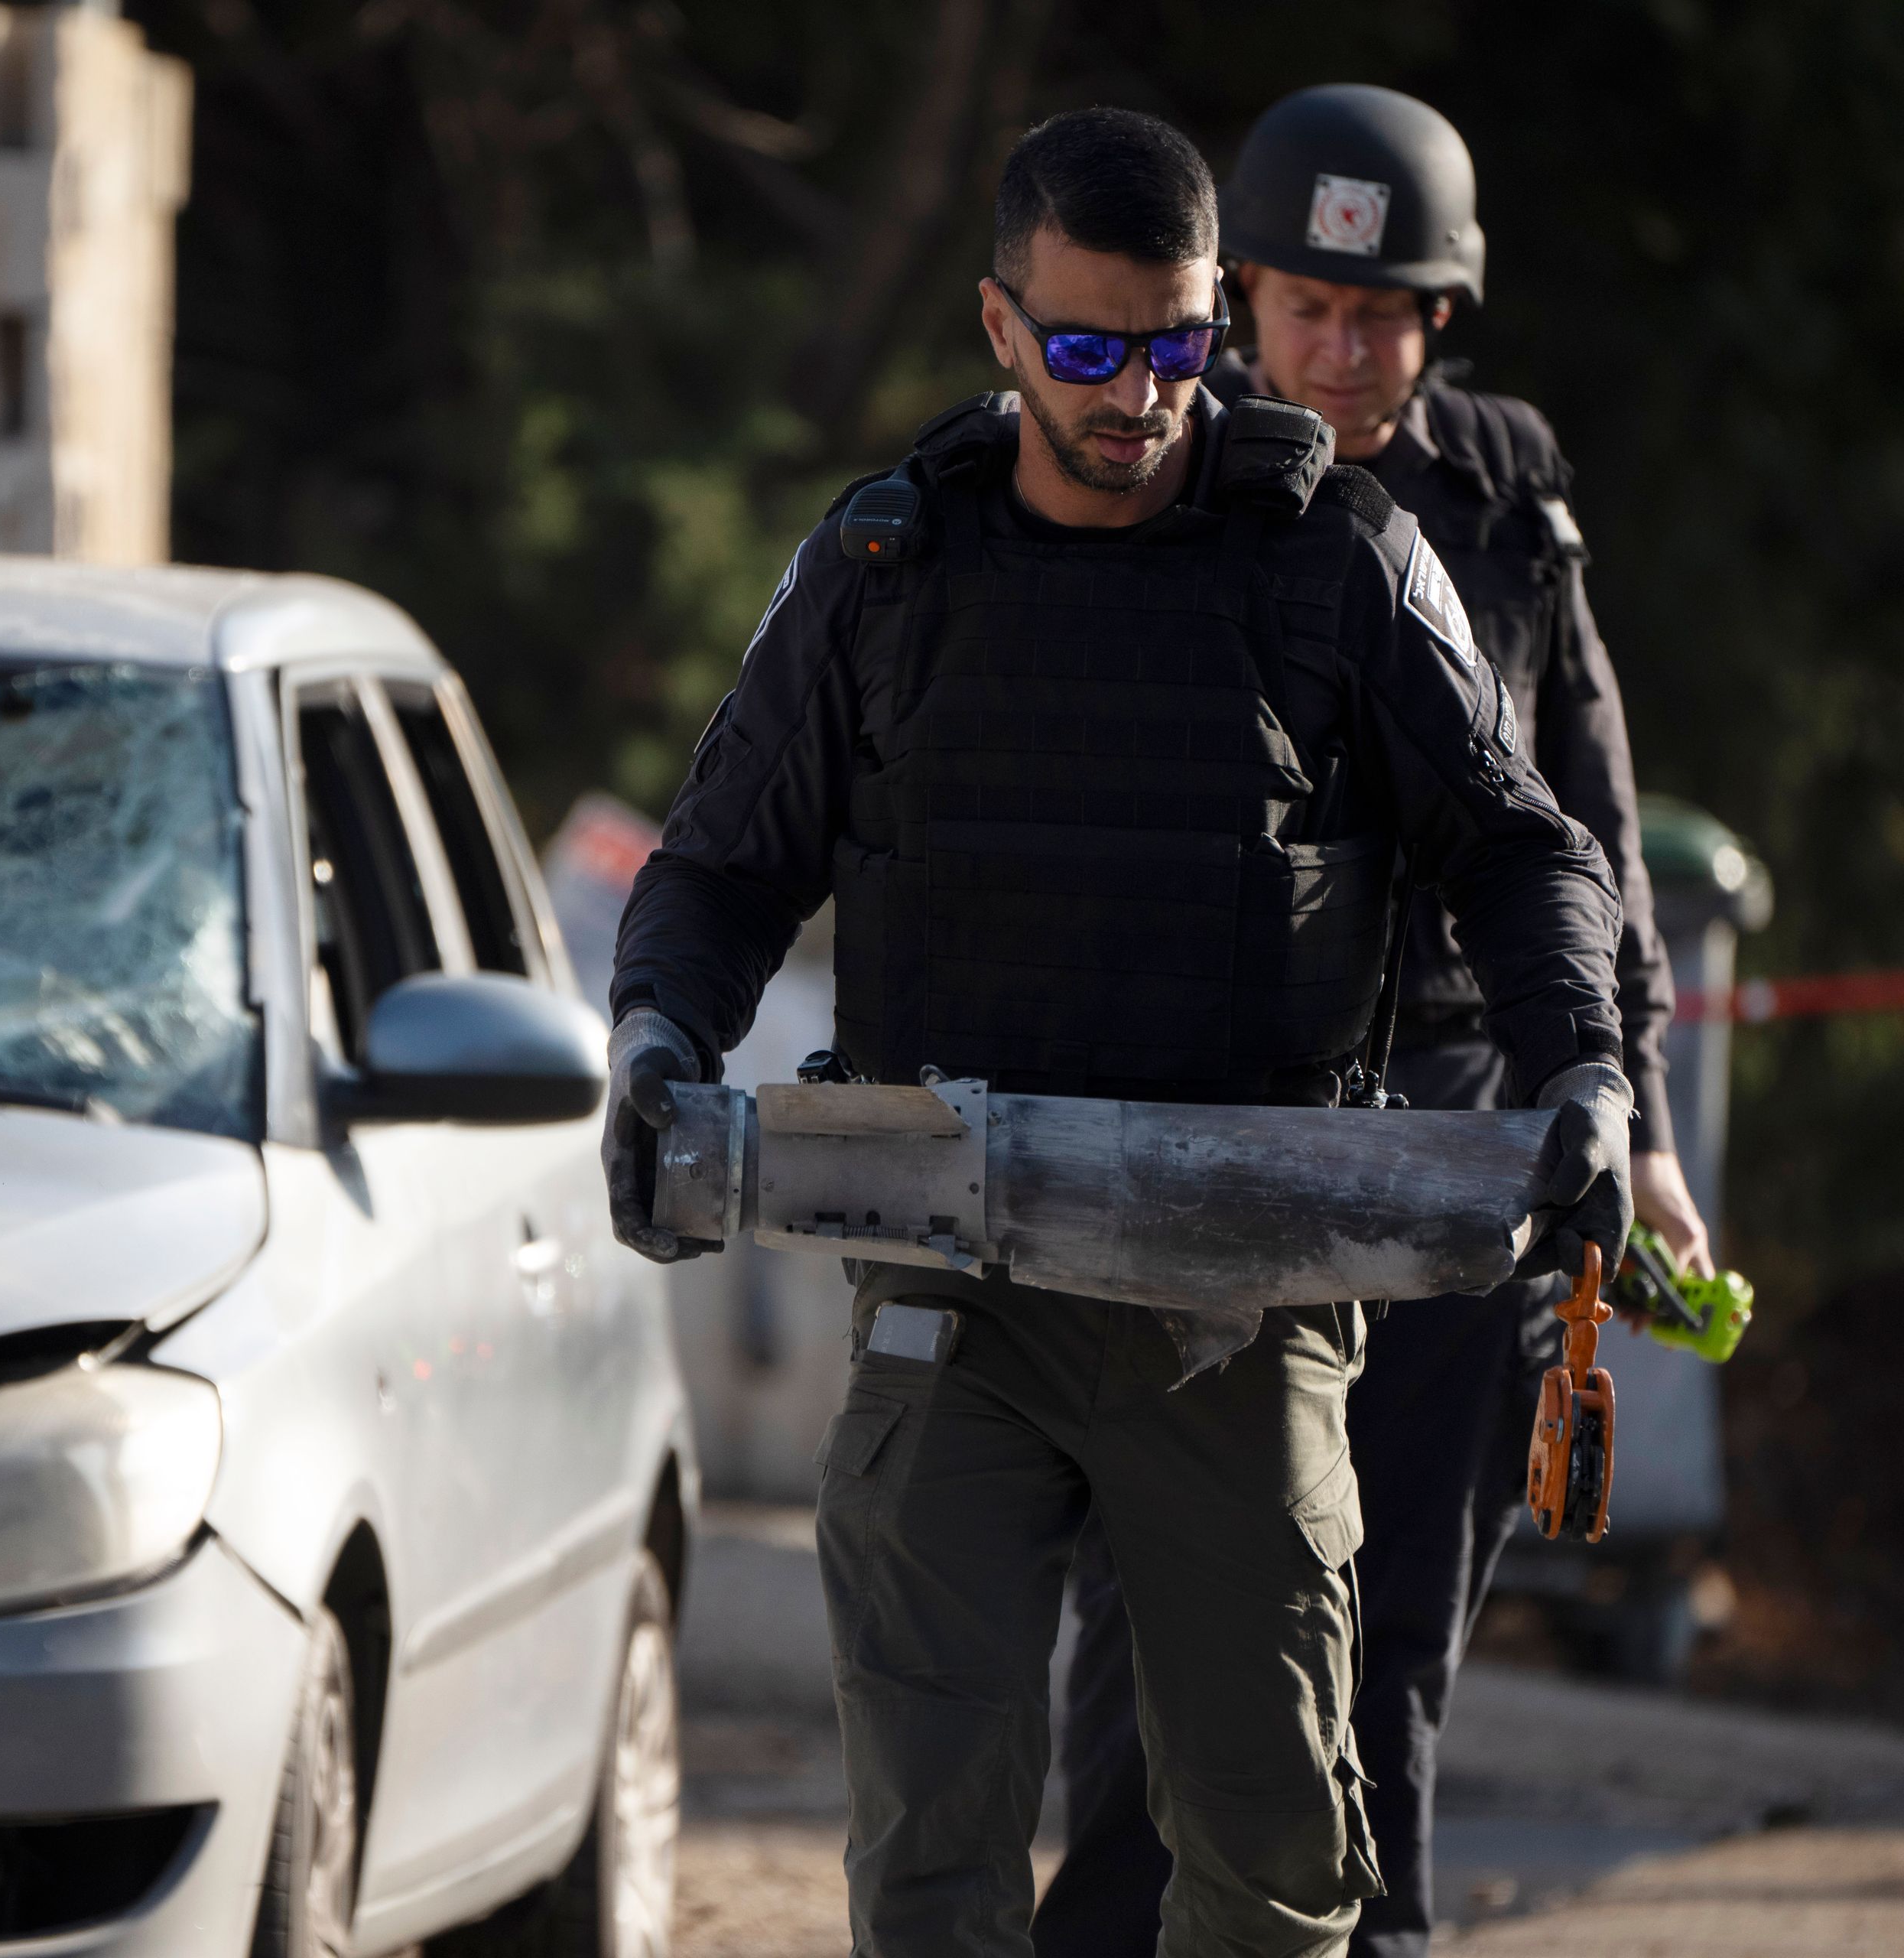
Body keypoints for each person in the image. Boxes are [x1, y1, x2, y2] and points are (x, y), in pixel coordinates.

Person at [604, 106, 1634, 1958]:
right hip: (956, 1283)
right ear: (1000, 326)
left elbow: (1517, 837)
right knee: (934, 1837)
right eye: (1086, 347)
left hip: (1238, 1291)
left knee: (1272, 1857)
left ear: (1213, 316)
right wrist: (658, 1037)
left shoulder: (1338, 559)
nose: (1138, 394)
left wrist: (1587, 1072)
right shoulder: (885, 571)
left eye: (1172, 344)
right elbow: (722, 861)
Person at [1030, 85, 1701, 1958]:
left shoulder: (1509, 496)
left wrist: (1630, 1123)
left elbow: (1592, 832)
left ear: (1441, 316)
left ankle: (1372, 1936)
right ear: (1238, 299)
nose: (1344, 348)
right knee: (1156, 1598)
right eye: (1309, 308)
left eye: (1385, 313)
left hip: (1456, 1119)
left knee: (1393, 1612)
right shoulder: (1145, 467)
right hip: (1207, 1116)